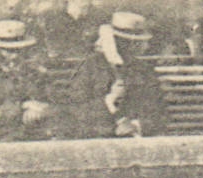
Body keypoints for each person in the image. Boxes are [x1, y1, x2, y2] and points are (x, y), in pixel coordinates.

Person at [64, 10, 166, 138]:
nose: (132, 47)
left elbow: (159, 112)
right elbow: (74, 110)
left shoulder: (144, 71)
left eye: (135, 42)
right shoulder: (90, 67)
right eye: (124, 41)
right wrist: (108, 101)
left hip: (135, 139)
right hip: (97, 138)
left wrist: (136, 125)